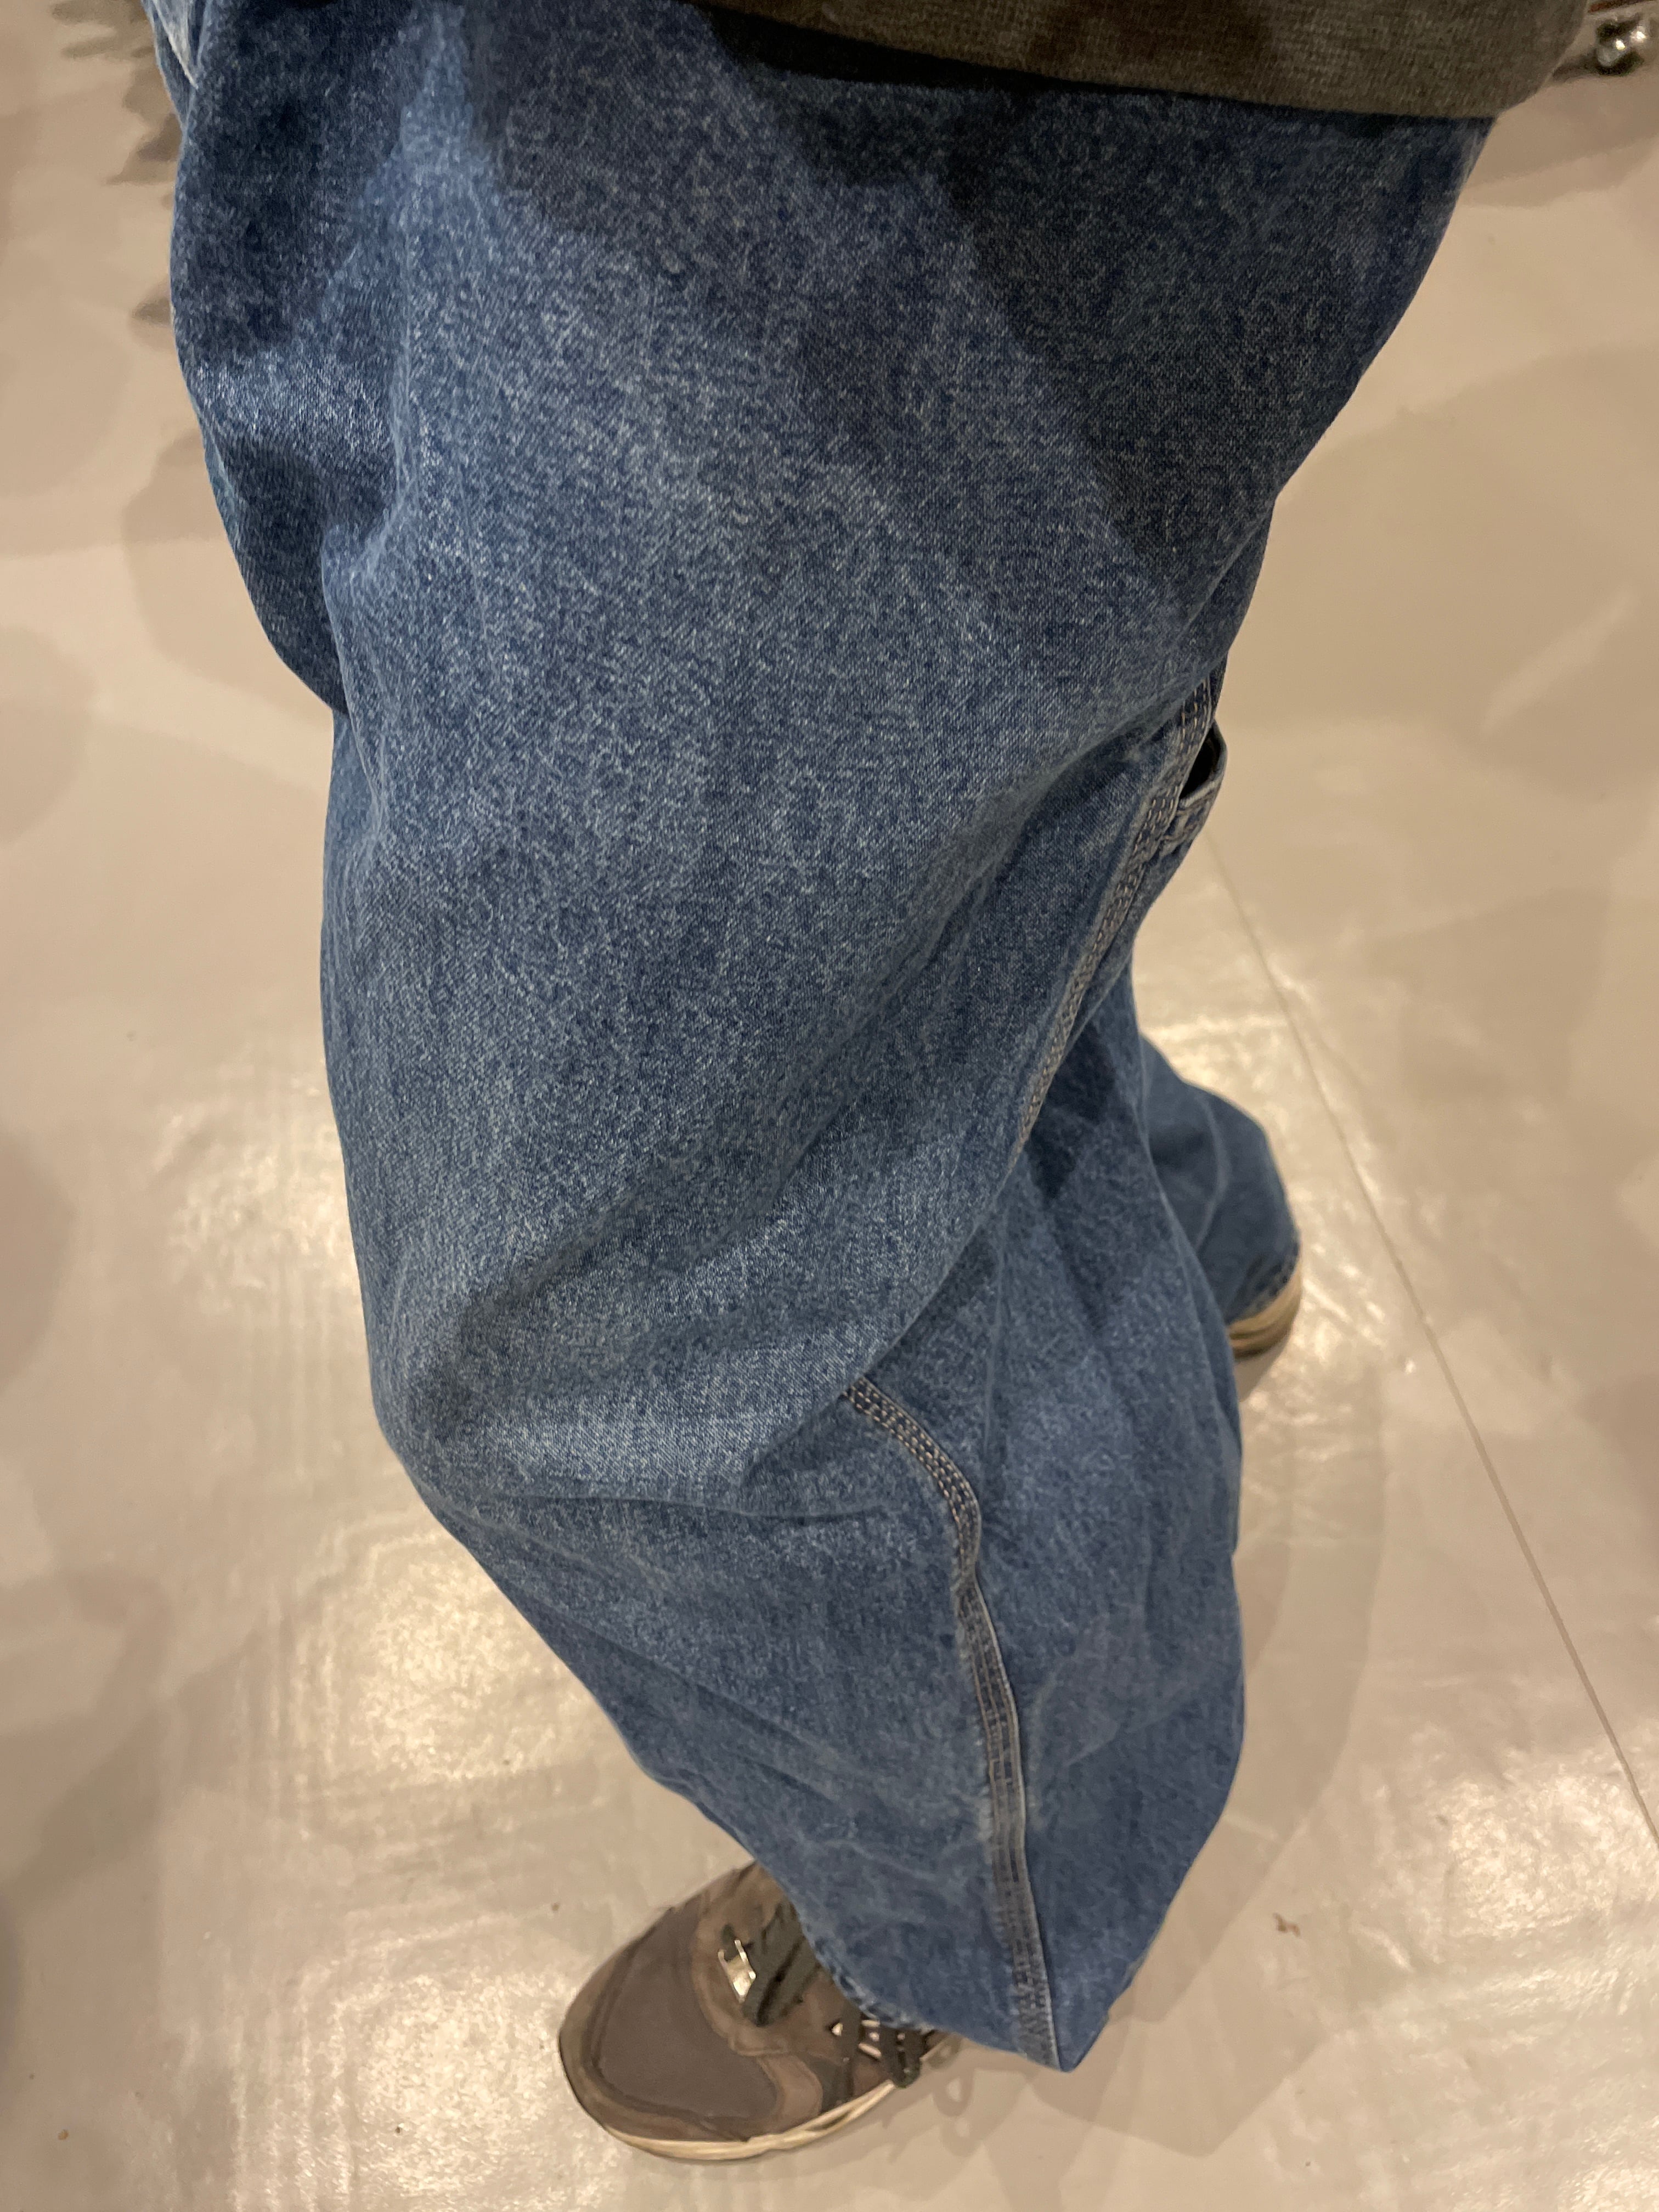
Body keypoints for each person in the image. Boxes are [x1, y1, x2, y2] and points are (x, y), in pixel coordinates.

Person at [142, 0, 1580, 2163]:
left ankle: (989, 1888)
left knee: (615, 1334)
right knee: (910, 955)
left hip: (874, 75)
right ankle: (1198, 1253)